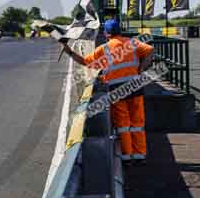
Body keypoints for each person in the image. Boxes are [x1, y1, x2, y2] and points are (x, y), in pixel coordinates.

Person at [59, 18, 154, 164]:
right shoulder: (132, 43)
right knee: (138, 122)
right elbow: (150, 50)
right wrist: (141, 68)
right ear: (120, 31)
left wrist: (69, 52)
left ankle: (127, 156)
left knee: (123, 124)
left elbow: (85, 62)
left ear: (107, 33)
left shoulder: (104, 49)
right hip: (135, 86)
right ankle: (140, 155)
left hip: (117, 89)